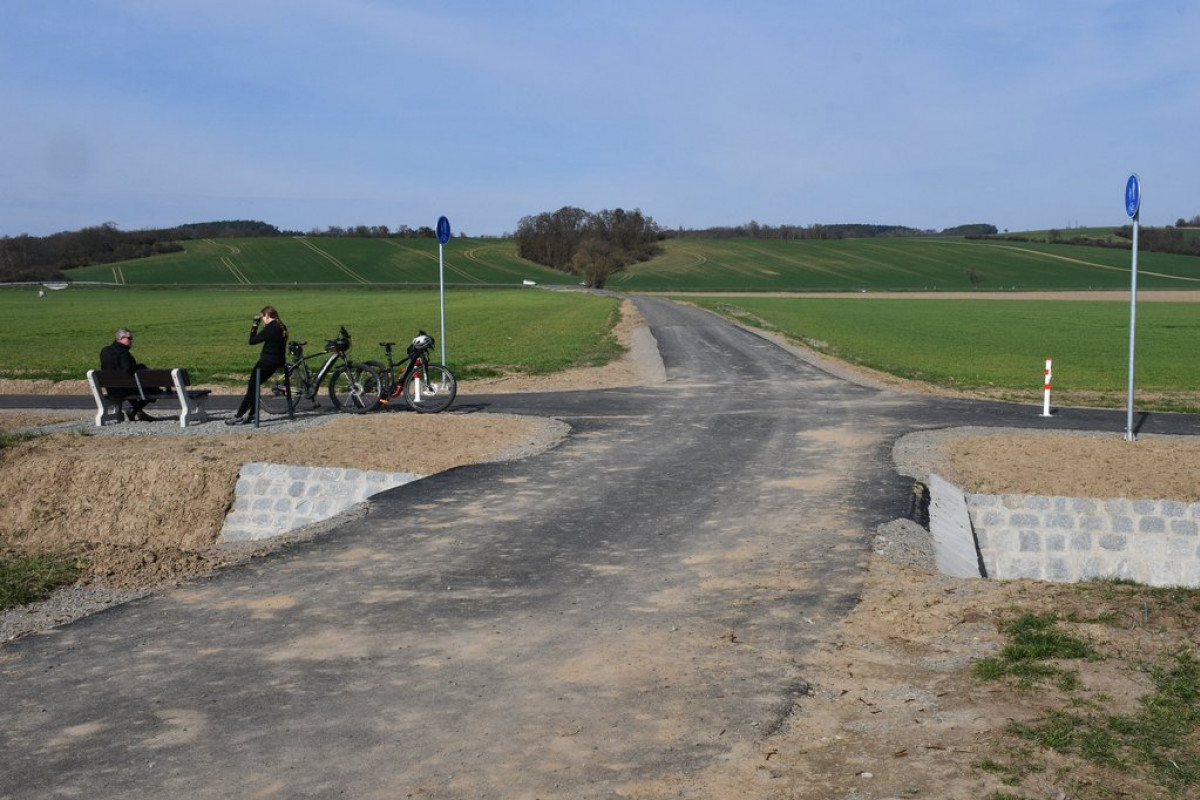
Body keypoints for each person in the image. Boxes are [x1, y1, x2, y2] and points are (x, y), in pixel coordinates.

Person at [226, 305, 289, 425]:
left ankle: (239, 415)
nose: (262, 320)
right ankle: (252, 413)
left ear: (266, 315)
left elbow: (252, 341)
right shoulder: (281, 326)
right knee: (255, 385)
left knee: (252, 387)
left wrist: (255, 325)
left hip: (266, 362)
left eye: (262, 317)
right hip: (278, 361)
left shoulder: (270, 328)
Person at [99, 328, 159, 422]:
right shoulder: (123, 353)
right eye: (129, 338)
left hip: (111, 389)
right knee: (155, 390)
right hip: (123, 389)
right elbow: (127, 368)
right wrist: (141, 366)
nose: (131, 341)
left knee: (130, 385)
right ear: (122, 338)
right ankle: (134, 410)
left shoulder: (105, 351)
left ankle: (136, 411)